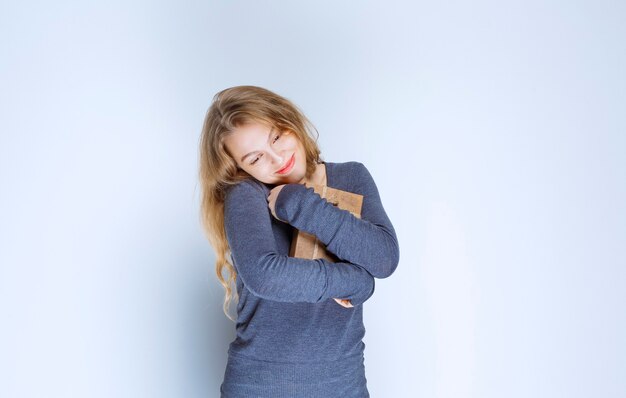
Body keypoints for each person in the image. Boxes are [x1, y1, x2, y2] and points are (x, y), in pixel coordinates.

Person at [198, 85, 400, 397]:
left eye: (277, 137)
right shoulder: (247, 194)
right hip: (259, 387)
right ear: (240, 169)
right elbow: (266, 276)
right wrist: (357, 282)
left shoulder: (352, 177)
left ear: (289, 120)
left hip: (343, 385)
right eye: (256, 158)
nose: (278, 159)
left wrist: (299, 204)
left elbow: (384, 258)